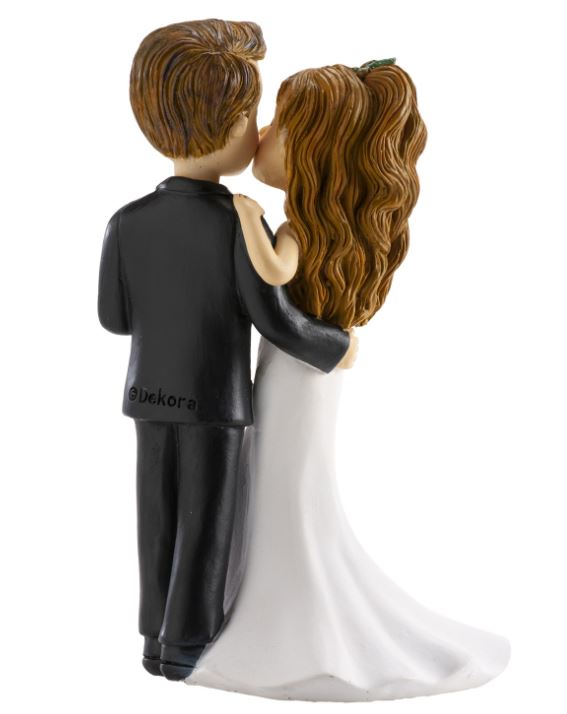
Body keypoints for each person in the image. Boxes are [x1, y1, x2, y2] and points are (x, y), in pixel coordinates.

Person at [186, 60, 511, 701]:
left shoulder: (294, 231)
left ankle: (292, 626)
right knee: (276, 483)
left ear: (312, 152)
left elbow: (275, 285)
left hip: (297, 375)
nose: (262, 134)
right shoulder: (318, 231)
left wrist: (247, 220)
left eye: (279, 125)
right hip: (295, 373)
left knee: (287, 487)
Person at [97, 20, 357, 682]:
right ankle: (186, 643)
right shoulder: (238, 225)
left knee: (156, 519)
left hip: (148, 396)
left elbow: (113, 319)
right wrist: (336, 345)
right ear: (231, 121)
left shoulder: (126, 222)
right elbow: (274, 320)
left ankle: (153, 636)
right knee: (205, 524)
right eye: (253, 115)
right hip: (214, 404)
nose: (259, 130)